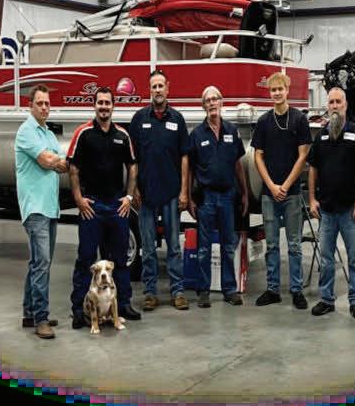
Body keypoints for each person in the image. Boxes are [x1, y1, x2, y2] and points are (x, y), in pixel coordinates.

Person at [67, 87, 142, 329]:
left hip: (116, 207)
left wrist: (128, 196)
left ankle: (124, 304)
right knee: (86, 258)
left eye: (107, 103)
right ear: (94, 106)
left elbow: (132, 166)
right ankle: (79, 309)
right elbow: (73, 168)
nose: (103, 107)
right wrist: (79, 199)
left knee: (120, 259)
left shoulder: (122, 135)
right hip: (92, 207)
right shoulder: (84, 133)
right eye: (100, 102)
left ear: (113, 106)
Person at [129, 69, 191, 311]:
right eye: (153, 86)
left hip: (171, 193)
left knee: (174, 246)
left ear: (168, 88)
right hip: (146, 194)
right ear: (149, 90)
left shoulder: (177, 119)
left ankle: (177, 291)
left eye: (160, 86)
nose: (157, 90)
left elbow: (184, 157)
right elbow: (132, 159)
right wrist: (134, 189)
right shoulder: (138, 119)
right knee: (147, 247)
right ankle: (150, 292)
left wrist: (184, 191)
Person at [251, 72, 312, 309]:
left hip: (292, 194)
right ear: (270, 93)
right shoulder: (264, 122)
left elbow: (303, 155)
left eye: (280, 89)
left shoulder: (299, 119)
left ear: (287, 90)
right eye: (273, 90)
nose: (277, 93)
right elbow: (258, 156)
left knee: (294, 245)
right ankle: (272, 289)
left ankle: (296, 290)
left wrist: (285, 186)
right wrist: (271, 185)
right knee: (272, 245)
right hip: (270, 195)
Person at [306, 87, 355, 318]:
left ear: (345, 105)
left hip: (350, 209)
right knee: (326, 259)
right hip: (327, 210)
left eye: (338, 102)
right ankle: (326, 299)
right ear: (328, 106)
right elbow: (312, 168)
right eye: (331, 102)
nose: (334, 106)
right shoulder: (322, 135)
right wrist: (312, 199)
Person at [185, 86, 249, 308]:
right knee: (203, 248)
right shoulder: (196, 134)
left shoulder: (232, 131)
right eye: (208, 100)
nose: (212, 103)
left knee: (228, 246)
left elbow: (238, 165)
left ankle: (229, 289)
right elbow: (190, 169)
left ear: (222, 103)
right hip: (206, 198)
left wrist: (245, 193)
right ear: (203, 106)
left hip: (228, 196)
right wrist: (189, 197)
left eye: (215, 99)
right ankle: (203, 291)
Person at [15, 84, 69, 339]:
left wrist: (56, 161)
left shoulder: (47, 134)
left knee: (38, 262)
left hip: (49, 207)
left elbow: (61, 164)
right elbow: (49, 161)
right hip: (35, 208)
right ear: (31, 106)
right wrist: (55, 161)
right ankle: (41, 319)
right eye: (40, 103)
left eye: (47, 103)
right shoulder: (27, 131)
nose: (45, 107)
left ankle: (30, 313)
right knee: (42, 263)